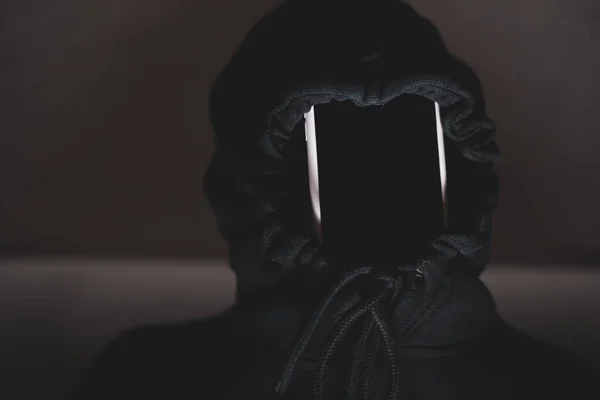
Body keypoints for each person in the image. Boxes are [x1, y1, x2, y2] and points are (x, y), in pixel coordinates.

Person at [70, 1, 599, 399]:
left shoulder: (559, 384)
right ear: (239, 184)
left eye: (402, 134)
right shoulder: (141, 376)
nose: (372, 171)